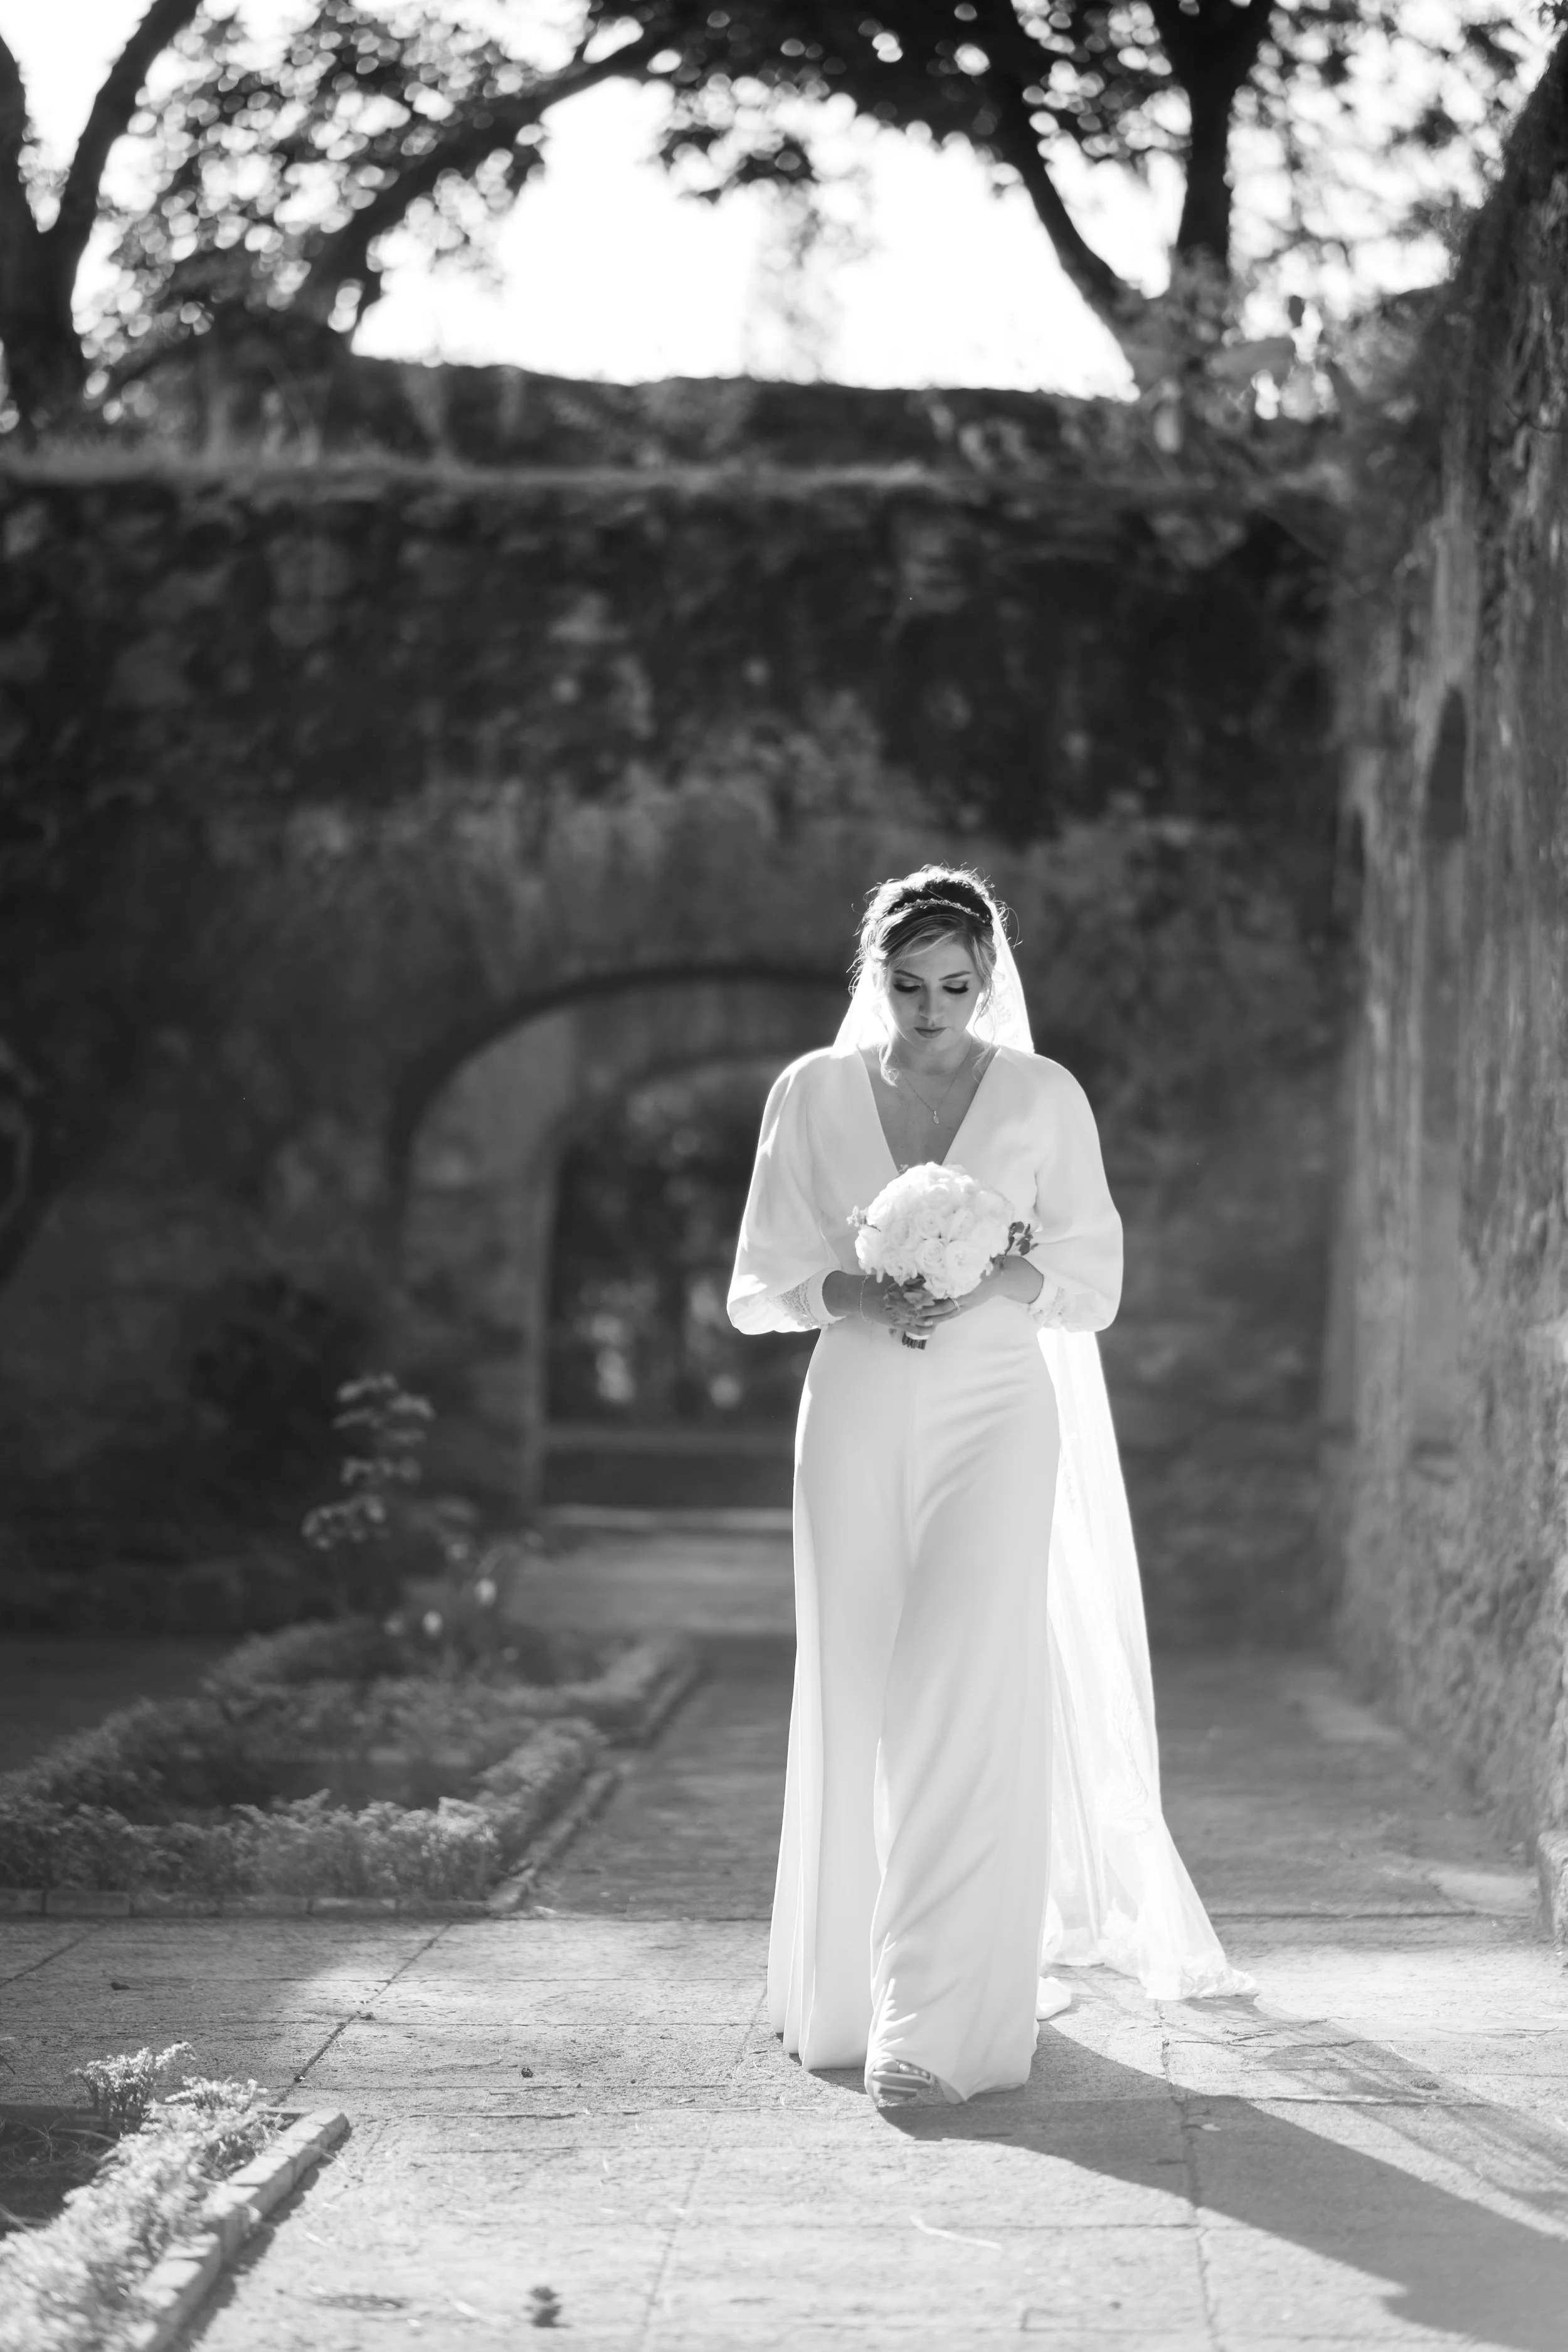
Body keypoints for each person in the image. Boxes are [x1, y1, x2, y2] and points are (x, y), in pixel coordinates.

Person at [728, 865, 1251, 2112]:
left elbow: (1092, 1277)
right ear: (872, 975)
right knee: (857, 1688)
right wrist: (849, 1290)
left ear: (987, 977)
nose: (929, 1008)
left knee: (964, 1678)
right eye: (906, 985)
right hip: (853, 1411)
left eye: (955, 985)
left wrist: (992, 1275)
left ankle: (936, 2025)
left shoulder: (1039, 1095)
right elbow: (755, 1286)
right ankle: (845, 2000)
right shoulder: (807, 1094)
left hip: (994, 1411)